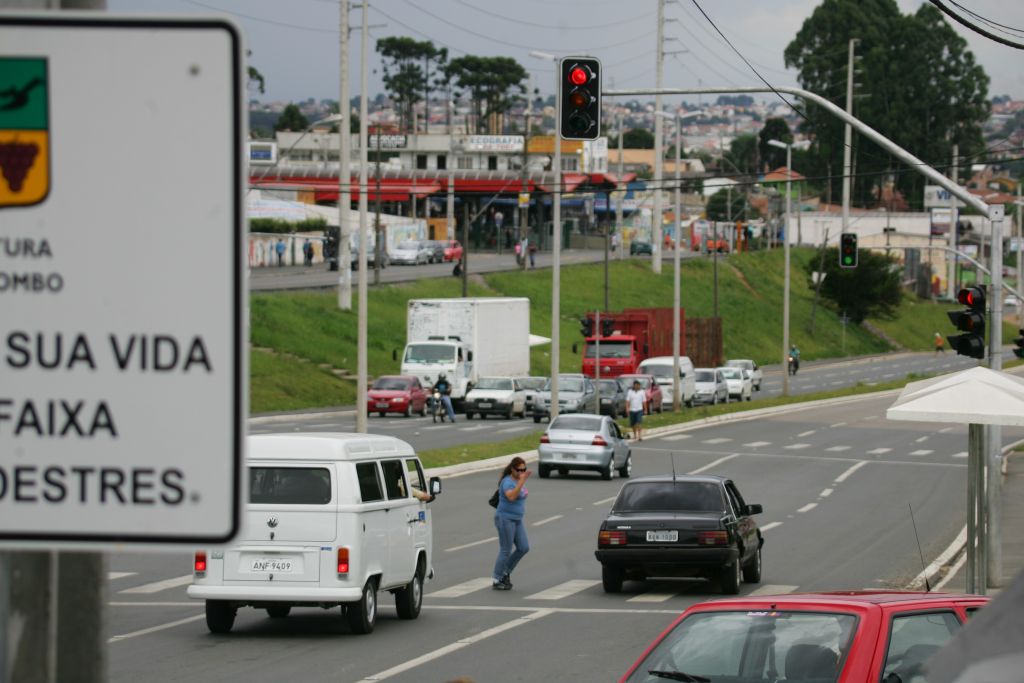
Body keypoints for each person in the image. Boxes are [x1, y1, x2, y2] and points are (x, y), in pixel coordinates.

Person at [492, 456, 531, 590]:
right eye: (519, 470)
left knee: (524, 547)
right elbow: (511, 496)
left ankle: (505, 571)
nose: (521, 472)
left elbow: (522, 493)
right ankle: (497, 578)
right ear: (512, 469)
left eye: (524, 469)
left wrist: (521, 481)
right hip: (505, 519)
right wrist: (522, 481)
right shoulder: (507, 482)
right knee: (506, 549)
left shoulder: (518, 480)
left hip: (517, 519)